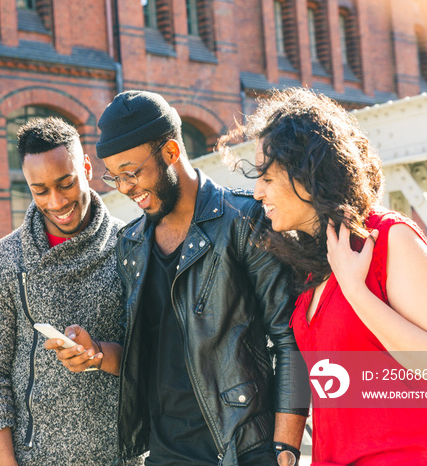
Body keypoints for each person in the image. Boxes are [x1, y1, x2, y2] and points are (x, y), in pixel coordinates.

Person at [52, 90, 309, 466]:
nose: (124, 188)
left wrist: (284, 451)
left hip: (241, 450)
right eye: (115, 177)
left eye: (132, 173)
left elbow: (291, 342)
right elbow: (150, 351)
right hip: (165, 452)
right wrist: (96, 354)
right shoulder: (131, 243)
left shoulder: (244, 221)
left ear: (171, 153)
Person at [220, 87, 427, 464]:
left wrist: (357, 291)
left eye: (268, 178)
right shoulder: (311, 265)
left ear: (307, 175)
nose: (257, 192)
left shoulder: (388, 237)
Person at [0, 117, 141, 465]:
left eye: (66, 183)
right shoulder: (1, 262)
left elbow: (155, 357)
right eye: (40, 190)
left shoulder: (134, 248)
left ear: (87, 168)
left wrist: (98, 354)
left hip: (119, 457)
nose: (57, 201)